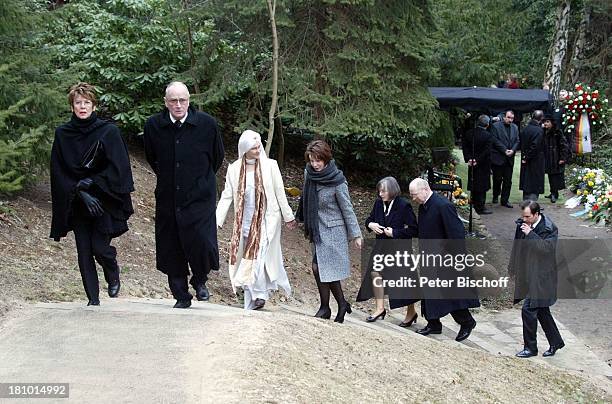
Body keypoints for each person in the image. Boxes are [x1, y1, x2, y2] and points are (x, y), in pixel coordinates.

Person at [50, 82, 134, 306]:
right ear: (72, 107)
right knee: (83, 251)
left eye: (87, 102)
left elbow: (119, 168)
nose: (82, 106)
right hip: (77, 202)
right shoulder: (63, 134)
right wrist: (80, 193)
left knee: (99, 247)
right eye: (78, 103)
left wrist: (94, 184)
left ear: (94, 106)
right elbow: (59, 172)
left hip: (103, 200)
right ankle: (93, 300)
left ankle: (112, 269)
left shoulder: (108, 132)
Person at [144, 81, 224, 309]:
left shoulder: (207, 124)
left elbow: (216, 157)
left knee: (202, 242)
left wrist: (199, 180)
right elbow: (153, 157)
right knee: (171, 245)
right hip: (169, 197)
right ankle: (180, 294)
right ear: (165, 102)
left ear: (189, 100)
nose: (178, 105)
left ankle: (200, 279)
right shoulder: (154, 126)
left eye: (183, 100)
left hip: (200, 196)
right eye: (173, 101)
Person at [216, 130, 297, 310]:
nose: (258, 149)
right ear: (245, 149)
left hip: (266, 221)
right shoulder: (234, 169)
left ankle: (260, 294)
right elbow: (227, 196)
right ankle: (252, 298)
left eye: (259, 145)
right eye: (253, 147)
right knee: (247, 257)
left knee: (258, 255)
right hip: (244, 221)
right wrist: (217, 220)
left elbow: (279, 192)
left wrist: (288, 216)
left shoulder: (271, 166)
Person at [297, 140, 362, 323]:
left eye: (318, 160)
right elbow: (304, 197)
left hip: (333, 230)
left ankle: (328, 307)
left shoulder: (337, 180)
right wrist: (298, 217)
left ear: (326, 158)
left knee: (321, 268)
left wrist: (356, 234)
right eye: (312, 160)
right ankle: (337, 304)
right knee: (322, 269)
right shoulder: (308, 173)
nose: (315, 164)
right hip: (316, 229)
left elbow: (347, 208)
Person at [408, 178, 480, 342]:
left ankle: (467, 322)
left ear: (425, 189)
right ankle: (434, 324)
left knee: (451, 294)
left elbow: (456, 234)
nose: (413, 199)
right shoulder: (424, 206)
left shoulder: (443, 206)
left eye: (414, 195)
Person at [356, 177, 419, 326]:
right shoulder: (378, 203)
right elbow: (369, 219)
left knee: (404, 282)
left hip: (399, 250)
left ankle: (411, 312)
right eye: (379, 190)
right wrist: (371, 224)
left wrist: (395, 233)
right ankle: (379, 308)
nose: (380, 193)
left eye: (383, 191)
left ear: (392, 190)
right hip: (381, 247)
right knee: (375, 273)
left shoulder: (404, 206)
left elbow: (414, 229)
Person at [509, 201, 565, 358]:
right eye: (523, 216)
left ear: (536, 214)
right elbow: (517, 246)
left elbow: (546, 250)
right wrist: (512, 268)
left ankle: (531, 348)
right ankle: (556, 342)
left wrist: (530, 234)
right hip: (527, 273)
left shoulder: (549, 228)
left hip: (542, 276)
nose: (524, 219)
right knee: (541, 310)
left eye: (528, 216)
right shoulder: (522, 224)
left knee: (529, 309)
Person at [462, 115, 493, 214]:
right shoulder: (488, 136)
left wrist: (469, 159)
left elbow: (465, 147)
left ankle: (474, 203)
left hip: (472, 163)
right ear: (487, 124)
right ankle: (480, 207)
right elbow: (486, 151)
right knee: (482, 186)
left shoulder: (469, 133)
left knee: (474, 182)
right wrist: (477, 160)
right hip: (482, 164)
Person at [490, 110, 519, 208]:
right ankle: (495, 195)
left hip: (509, 159)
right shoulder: (496, 126)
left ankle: (505, 200)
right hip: (498, 157)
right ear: (504, 117)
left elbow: (517, 141)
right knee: (497, 179)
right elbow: (494, 140)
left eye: (512, 118)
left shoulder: (515, 127)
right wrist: (505, 150)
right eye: (509, 117)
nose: (510, 120)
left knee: (508, 181)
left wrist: (513, 150)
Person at [519, 110, 545, 201]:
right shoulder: (539, 130)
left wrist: (525, 156)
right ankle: (532, 204)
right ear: (541, 118)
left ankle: (526, 201)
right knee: (535, 182)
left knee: (526, 180)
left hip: (526, 158)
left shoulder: (526, 128)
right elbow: (535, 146)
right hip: (535, 159)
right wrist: (528, 156)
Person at [543, 115, 569, 203]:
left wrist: (562, 158)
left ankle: (554, 194)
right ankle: (552, 192)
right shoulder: (544, 131)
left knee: (555, 176)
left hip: (556, 158)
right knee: (550, 175)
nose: (545, 124)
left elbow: (564, 146)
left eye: (547, 122)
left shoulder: (558, 132)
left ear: (552, 123)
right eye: (545, 122)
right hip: (548, 158)